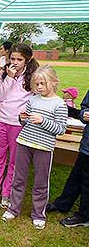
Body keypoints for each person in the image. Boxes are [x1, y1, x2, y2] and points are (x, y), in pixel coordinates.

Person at [1, 65, 68, 230]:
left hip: (44, 147)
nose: (39, 87)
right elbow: (24, 123)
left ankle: (38, 214)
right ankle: (13, 208)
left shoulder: (59, 104)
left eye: (43, 84)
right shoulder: (32, 99)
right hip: (24, 142)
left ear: (54, 83)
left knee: (40, 182)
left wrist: (43, 121)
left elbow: (60, 129)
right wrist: (22, 118)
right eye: (36, 84)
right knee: (19, 178)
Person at [0, 43, 39, 208]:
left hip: (18, 124)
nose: (15, 62)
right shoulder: (3, 73)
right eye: (12, 58)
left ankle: (7, 192)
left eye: (19, 59)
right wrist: (9, 78)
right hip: (1, 120)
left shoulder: (32, 76)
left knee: (14, 160)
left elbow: (36, 99)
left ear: (27, 60)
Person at [46, 90, 89, 228]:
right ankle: (62, 204)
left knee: (87, 182)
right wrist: (84, 114)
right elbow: (84, 108)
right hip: (87, 145)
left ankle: (84, 216)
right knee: (75, 176)